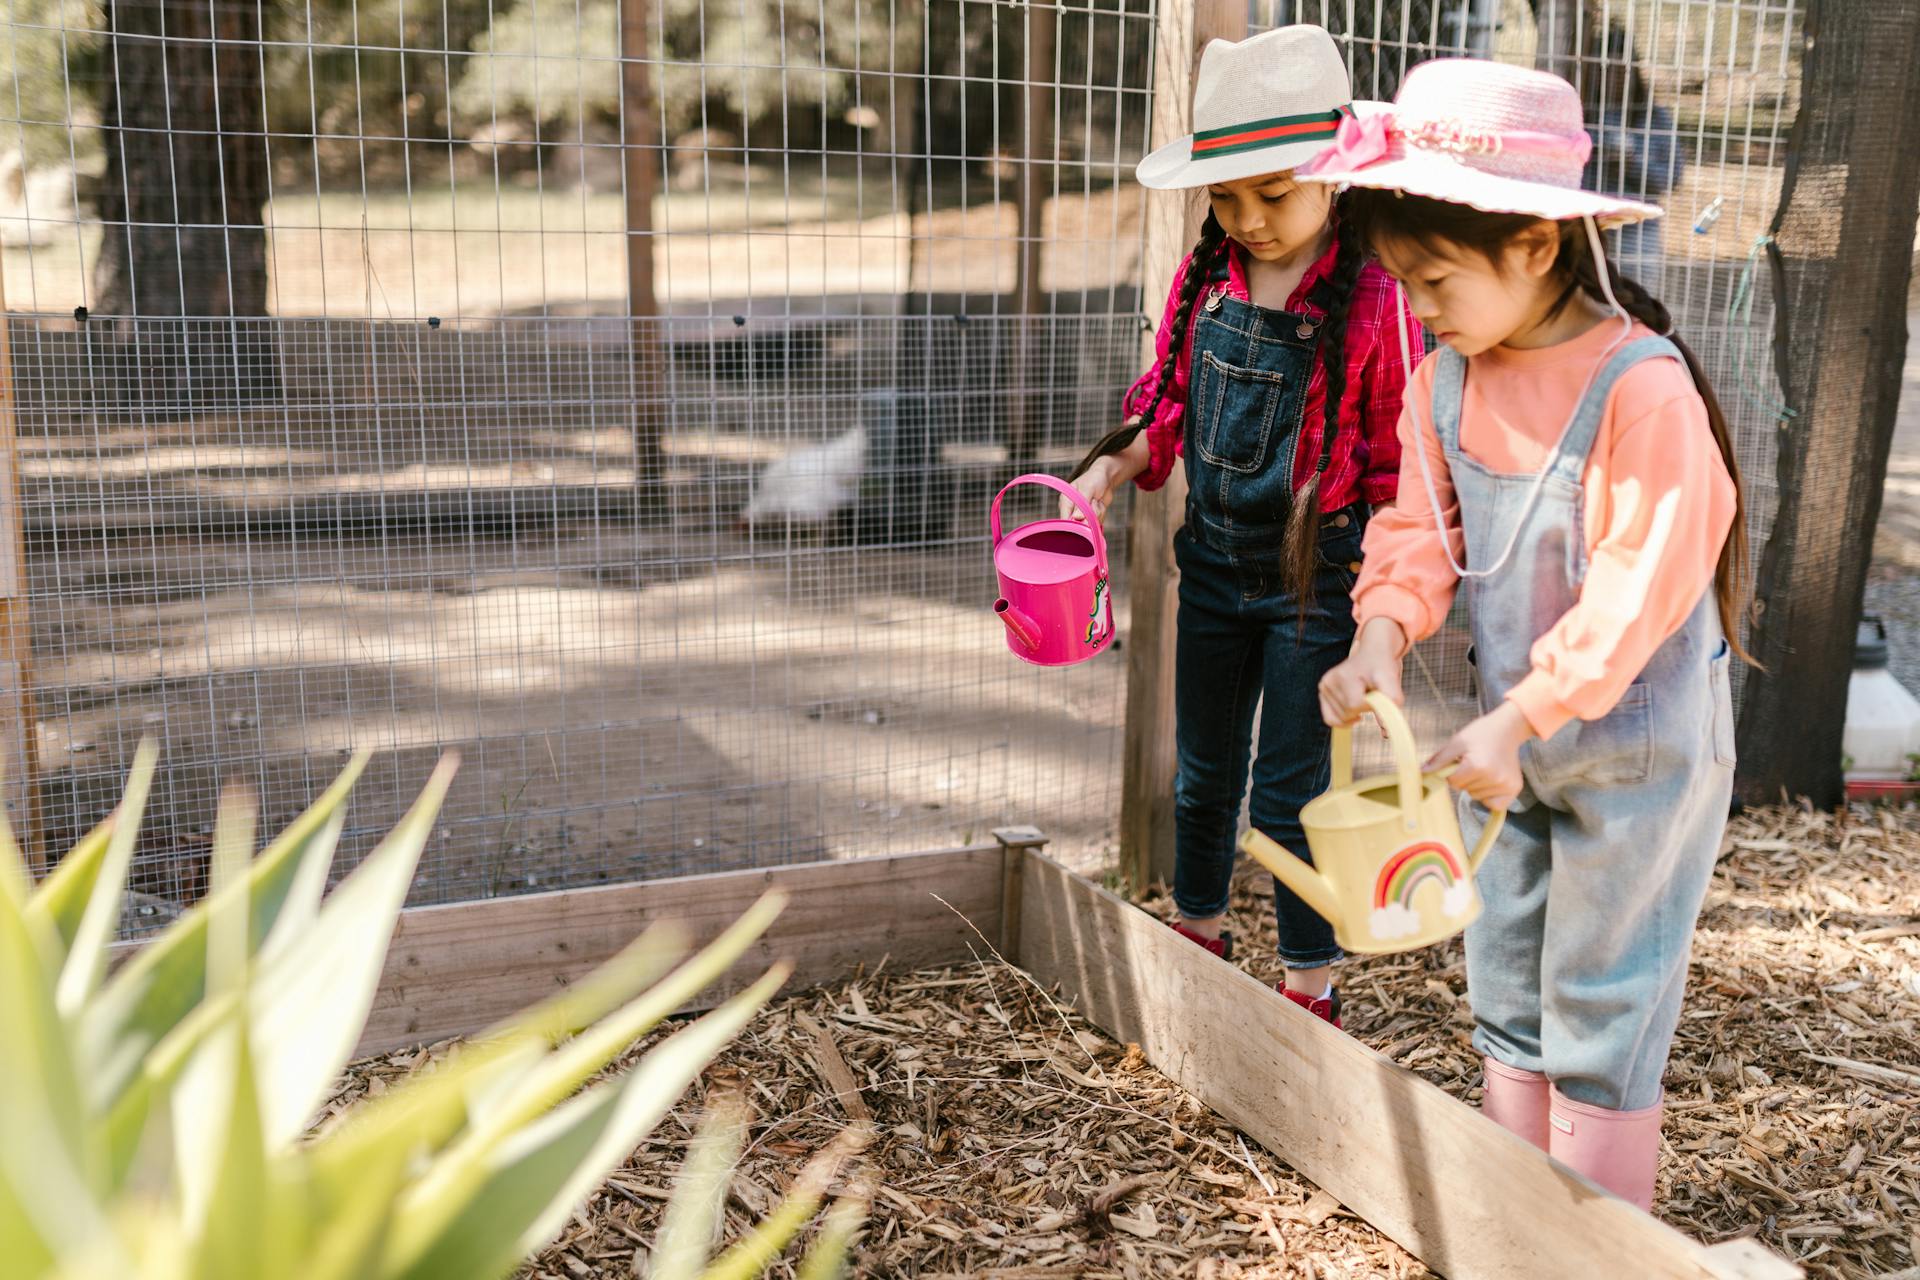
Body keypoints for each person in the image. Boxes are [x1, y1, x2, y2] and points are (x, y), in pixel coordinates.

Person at [1300, 59, 1747, 1209]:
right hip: (1510, 743)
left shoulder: (1640, 391)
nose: (1423, 309)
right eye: (1405, 284)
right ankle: (1517, 1212)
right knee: (1503, 967)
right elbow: (1416, 529)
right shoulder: (1445, 381)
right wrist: (1380, 640)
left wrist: (1523, 715)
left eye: (1437, 279)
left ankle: (1597, 1236)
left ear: (1536, 247)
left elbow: (1635, 593)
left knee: (1604, 989)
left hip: (1634, 749)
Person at [1064, 25, 1423, 1025]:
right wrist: (1112, 464)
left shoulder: (1376, 296)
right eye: (1229, 195)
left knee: (1292, 797)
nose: (1250, 218)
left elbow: (1400, 467)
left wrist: (1385, 612)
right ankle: (1198, 934)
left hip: (1320, 583)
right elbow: (1166, 409)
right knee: (1202, 776)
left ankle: (1311, 988)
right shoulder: (1207, 276)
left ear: (1334, 179)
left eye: (1275, 192)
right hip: (1213, 567)